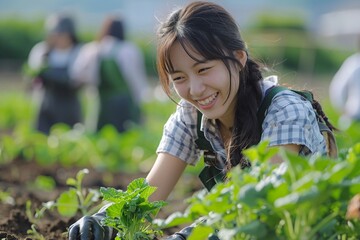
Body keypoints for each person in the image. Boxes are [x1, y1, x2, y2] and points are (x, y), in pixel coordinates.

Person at [68, 1, 335, 239]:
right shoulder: (190, 114)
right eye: (179, 78)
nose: (195, 90)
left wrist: (194, 233)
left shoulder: (285, 110)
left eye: (204, 69)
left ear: (238, 58)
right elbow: (150, 194)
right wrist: (106, 219)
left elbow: (264, 205)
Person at [72, 16, 151, 133]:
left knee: (101, 134)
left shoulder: (92, 49)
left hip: (101, 102)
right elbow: (137, 80)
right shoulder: (129, 49)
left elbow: (77, 74)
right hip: (125, 103)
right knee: (126, 135)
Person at [26, 13, 83, 134]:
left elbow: (79, 78)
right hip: (46, 104)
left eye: (61, 34)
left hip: (69, 105)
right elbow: (32, 79)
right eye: (54, 34)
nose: (57, 38)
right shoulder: (41, 51)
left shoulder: (79, 52)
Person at [329, 39, 360, 129]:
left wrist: (342, 109)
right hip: (354, 116)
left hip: (352, 115)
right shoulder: (354, 63)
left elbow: (337, 89)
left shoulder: (353, 63)